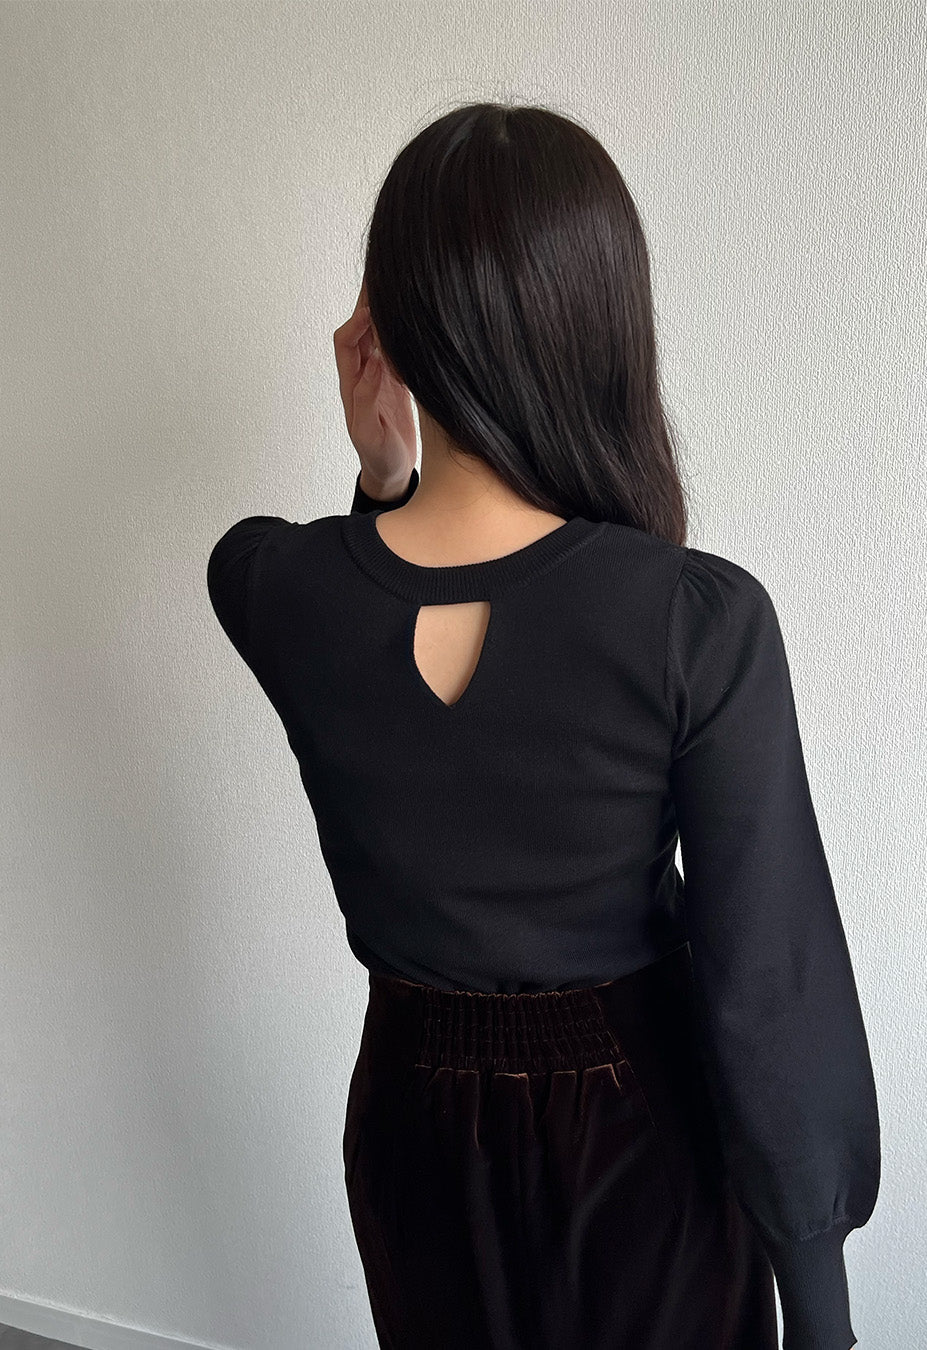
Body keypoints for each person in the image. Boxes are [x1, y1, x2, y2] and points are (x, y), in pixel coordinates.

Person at [206, 101, 880, 1350]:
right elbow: (770, 982)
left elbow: (354, 582)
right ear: (600, 320)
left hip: (409, 1136)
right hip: (643, 1143)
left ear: (387, 326)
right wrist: (820, 1309)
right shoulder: (693, 620)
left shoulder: (271, 587)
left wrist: (383, 477)